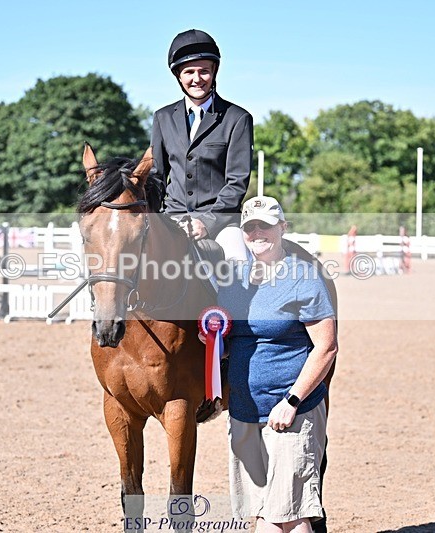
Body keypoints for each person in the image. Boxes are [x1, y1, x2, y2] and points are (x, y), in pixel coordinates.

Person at [215, 196, 338, 533]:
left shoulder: (304, 277)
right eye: (250, 227)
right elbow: (233, 339)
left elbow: (326, 347)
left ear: (282, 227)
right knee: (267, 513)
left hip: (290, 413)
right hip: (244, 412)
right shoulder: (234, 279)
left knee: (286, 515)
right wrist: (214, 342)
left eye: (265, 225)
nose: (257, 233)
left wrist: (292, 401)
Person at [151, 29, 253, 262]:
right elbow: (156, 177)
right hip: (171, 219)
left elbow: (237, 182)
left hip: (220, 223)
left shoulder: (237, 118)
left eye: (204, 71)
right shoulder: (162, 118)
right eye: (189, 72)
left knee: (237, 260)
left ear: (214, 71)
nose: (197, 79)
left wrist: (207, 222)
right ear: (178, 75)